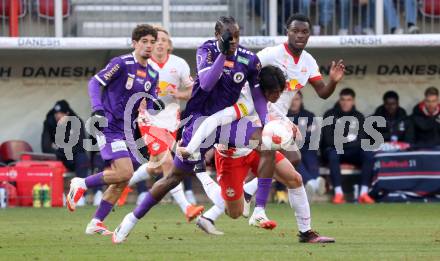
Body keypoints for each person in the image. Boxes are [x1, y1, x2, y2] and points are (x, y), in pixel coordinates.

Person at [112, 16, 275, 244]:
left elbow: (258, 96)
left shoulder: (249, 59)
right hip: (198, 121)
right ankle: (131, 219)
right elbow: (207, 83)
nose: (234, 41)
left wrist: (266, 122)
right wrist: (223, 53)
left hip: (229, 123)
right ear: (219, 36)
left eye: (237, 36)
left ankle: (259, 210)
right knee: (173, 178)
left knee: (270, 143)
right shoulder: (206, 50)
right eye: (230, 37)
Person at [179, 13, 344, 226]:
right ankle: (230, 191)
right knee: (238, 206)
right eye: (295, 31)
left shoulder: (308, 62)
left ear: (310, 35)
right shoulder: (270, 54)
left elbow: (323, 92)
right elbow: (249, 73)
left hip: (271, 117)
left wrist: (332, 81)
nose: (300, 35)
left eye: (304, 32)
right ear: (287, 33)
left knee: (293, 159)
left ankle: (265, 207)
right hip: (250, 113)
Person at [196, 65, 335, 243]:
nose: (279, 96)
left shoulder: (263, 97)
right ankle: (200, 173)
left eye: (281, 91)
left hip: (256, 150)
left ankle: (306, 232)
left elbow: (271, 110)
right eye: (276, 92)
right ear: (263, 88)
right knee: (234, 213)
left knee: (295, 178)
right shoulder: (235, 97)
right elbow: (222, 128)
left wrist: (287, 124)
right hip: (231, 155)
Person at [66, 24, 163, 236]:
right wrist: (97, 109)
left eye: (152, 42)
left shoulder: (153, 74)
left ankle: (96, 222)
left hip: (129, 130)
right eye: (144, 42)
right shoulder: (121, 63)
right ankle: (80, 182)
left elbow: (150, 103)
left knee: (123, 179)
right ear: (134, 43)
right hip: (108, 125)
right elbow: (94, 83)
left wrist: (157, 105)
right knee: (125, 171)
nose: (149, 46)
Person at [125, 26, 204, 222]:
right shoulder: (142, 63)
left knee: (154, 167)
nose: (159, 43)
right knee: (168, 162)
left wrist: (179, 94)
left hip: (170, 118)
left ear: (169, 45)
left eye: (163, 40)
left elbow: (193, 91)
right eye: (156, 40)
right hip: (148, 117)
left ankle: (125, 183)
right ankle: (187, 208)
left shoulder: (179, 64)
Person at [321, 88, 375, 204]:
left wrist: (342, 141)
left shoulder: (359, 116)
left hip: (352, 152)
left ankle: (363, 193)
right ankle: (338, 194)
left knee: (368, 154)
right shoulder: (330, 114)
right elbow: (328, 140)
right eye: (343, 99)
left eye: (349, 100)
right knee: (333, 153)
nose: (345, 102)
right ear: (339, 101)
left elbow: (362, 139)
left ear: (353, 101)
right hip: (335, 151)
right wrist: (349, 140)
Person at [41, 100, 91, 206]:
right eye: (56, 113)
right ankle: (59, 196)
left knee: (82, 158)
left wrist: (60, 148)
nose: (58, 116)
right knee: (52, 161)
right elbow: (45, 147)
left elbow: (80, 146)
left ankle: (79, 195)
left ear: (67, 113)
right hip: (59, 157)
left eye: (61, 113)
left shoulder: (76, 121)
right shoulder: (49, 123)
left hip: (73, 155)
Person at [287, 91, 326, 201]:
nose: (294, 102)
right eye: (291, 99)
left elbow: (314, 135)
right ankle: (314, 182)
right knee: (295, 157)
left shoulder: (309, 115)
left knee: (310, 155)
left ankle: (313, 182)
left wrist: (296, 136)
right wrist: (303, 134)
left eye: (296, 99)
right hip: (290, 149)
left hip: (306, 147)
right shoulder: (283, 115)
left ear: (301, 100)